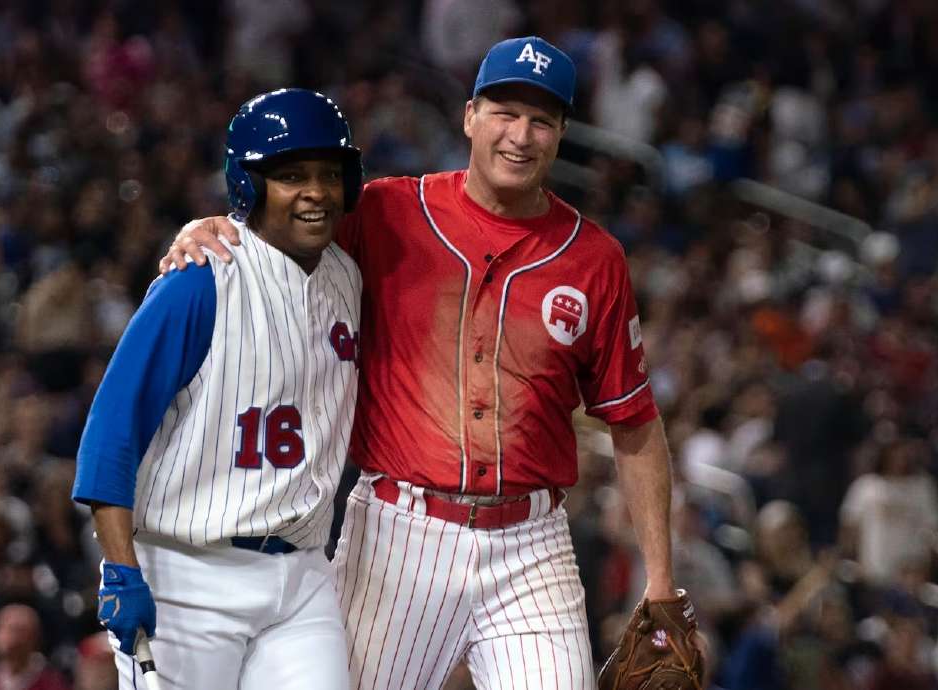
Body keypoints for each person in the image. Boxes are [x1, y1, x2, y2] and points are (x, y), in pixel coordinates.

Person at [162, 37, 692, 689]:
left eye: (541, 120)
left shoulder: (594, 259)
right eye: (504, 112)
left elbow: (633, 422)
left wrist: (661, 581)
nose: (519, 135)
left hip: (532, 544)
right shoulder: (387, 211)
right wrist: (210, 226)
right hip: (397, 532)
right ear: (470, 116)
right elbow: (279, 232)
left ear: (561, 135)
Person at [72, 88, 363, 689]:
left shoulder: (347, 275)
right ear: (249, 185)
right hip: (188, 574)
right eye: (290, 176)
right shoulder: (199, 282)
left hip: (304, 577)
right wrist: (121, 570)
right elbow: (111, 433)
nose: (315, 191)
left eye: (328, 174)